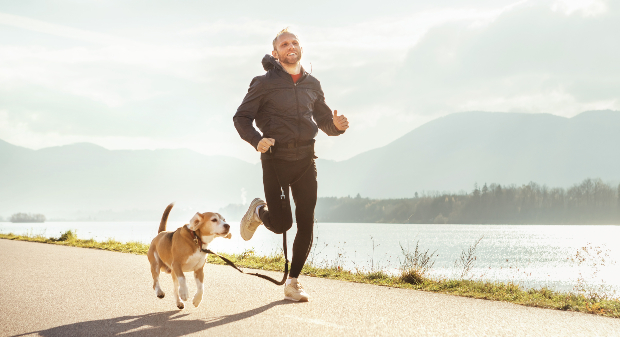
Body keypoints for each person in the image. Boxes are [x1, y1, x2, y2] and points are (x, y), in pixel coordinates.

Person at [233, 28, 349, 302]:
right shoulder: (263, 83)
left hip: (306, 160)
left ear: (300, 48)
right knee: (283, 223)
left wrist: (336, 127)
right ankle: (259, 211)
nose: (290, 46)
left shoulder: (313, 84)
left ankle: (294, 282)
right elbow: (241, 117)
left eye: (294, 42)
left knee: (306, 221)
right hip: (276, 159)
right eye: (284, 44)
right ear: (276, 53)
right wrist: (256, 140)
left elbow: (323, 120)